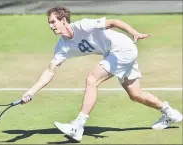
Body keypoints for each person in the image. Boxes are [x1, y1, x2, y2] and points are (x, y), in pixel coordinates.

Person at [21, 6, 183, 142]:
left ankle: (78, 125)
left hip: (122, 49)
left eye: (53, 22)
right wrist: (31, 91)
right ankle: (170, 112)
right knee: (136, 94)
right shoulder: (62, 47)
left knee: (92, 79)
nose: (51, 26)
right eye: (49, 23)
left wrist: (134, 32)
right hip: (114, 54)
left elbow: (114, 22)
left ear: (64, 21)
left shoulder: (83, 26)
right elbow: (50, 71)